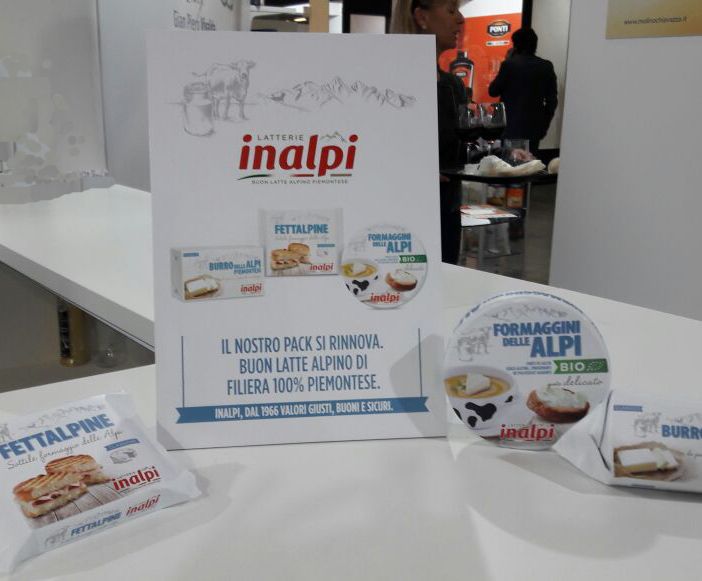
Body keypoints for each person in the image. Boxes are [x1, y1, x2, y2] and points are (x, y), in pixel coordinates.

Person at [391, 0, 466, 265]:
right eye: (451, 10)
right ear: (421, 17)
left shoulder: (453, 85)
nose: (461, 19)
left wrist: (503, 155)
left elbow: (461, 146)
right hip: (401, 215)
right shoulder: (387, 85)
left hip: (447, 211)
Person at [488, 28, 557, 154]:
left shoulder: (509, 65)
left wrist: (508, 60)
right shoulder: (546, 66)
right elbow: (552, 101)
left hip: (511, 128)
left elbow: (493, 91)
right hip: (534, 129)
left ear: (516, 45)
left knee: (511, 163)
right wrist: (544, 125)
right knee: (531, 163)